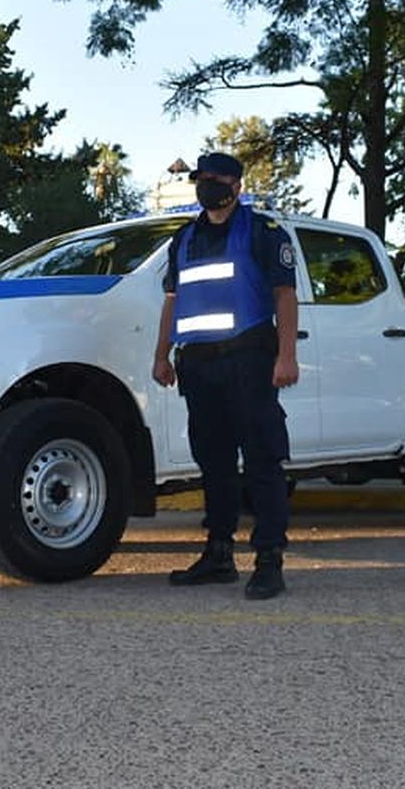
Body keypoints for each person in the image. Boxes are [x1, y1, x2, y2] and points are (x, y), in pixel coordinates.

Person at [152, 152, 300, 600]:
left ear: (236, 184)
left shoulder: (262, 232)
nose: (205, 186)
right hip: (198, 364)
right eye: (200, 179)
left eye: (214, 179)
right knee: (213, 462)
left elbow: (285, 295)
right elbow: (173, 301)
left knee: (262, 461)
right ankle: (218, 554)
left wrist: (286, 356)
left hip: (249, 359)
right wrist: (162, 355)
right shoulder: (185, 239)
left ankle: (269, 560)